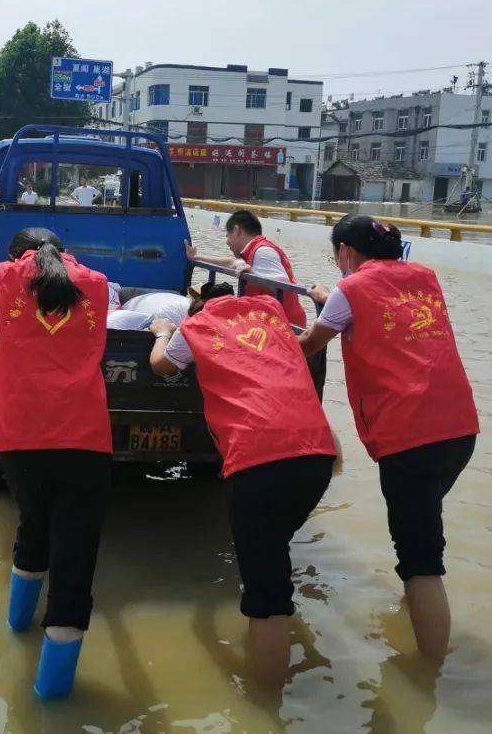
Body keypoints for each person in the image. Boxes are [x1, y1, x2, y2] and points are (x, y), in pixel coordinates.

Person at [297, 215, 479, 661]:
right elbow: (388, 310)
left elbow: (311, 343)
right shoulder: (425, 278)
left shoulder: (349, 290)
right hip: (459, 430)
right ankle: (413, 613)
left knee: (421, 561)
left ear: (344, 253)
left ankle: (429, 676)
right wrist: (333, 301)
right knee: (421, 527)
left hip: (410, 437)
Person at [148, 285, 336, 690]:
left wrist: (164, 330)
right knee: (273, 553)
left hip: (257, 458)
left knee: (265, 594)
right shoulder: (270, 313)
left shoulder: (196, 324)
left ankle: (267, 705)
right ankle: (276, 654)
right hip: (317, 455)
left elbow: (162, 365)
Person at [0, 228, 112, 700]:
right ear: (66, 251)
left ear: (18, 254)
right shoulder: (99, 285)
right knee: (74, 562)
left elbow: (24, 279)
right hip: (82, 442)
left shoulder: (3, 276)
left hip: (16, 441)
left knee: (34, 523)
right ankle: (51, 697)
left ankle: (15, 626)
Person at [185, 209, 308, 328]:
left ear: (236, 230)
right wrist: (196, 257)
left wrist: (253, 275)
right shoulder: (253, 252)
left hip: (287, 329)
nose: (227, 243)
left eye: (227, 236)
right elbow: (231, 262)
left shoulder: (263, 252)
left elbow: (282, 288)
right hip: (276, 324)